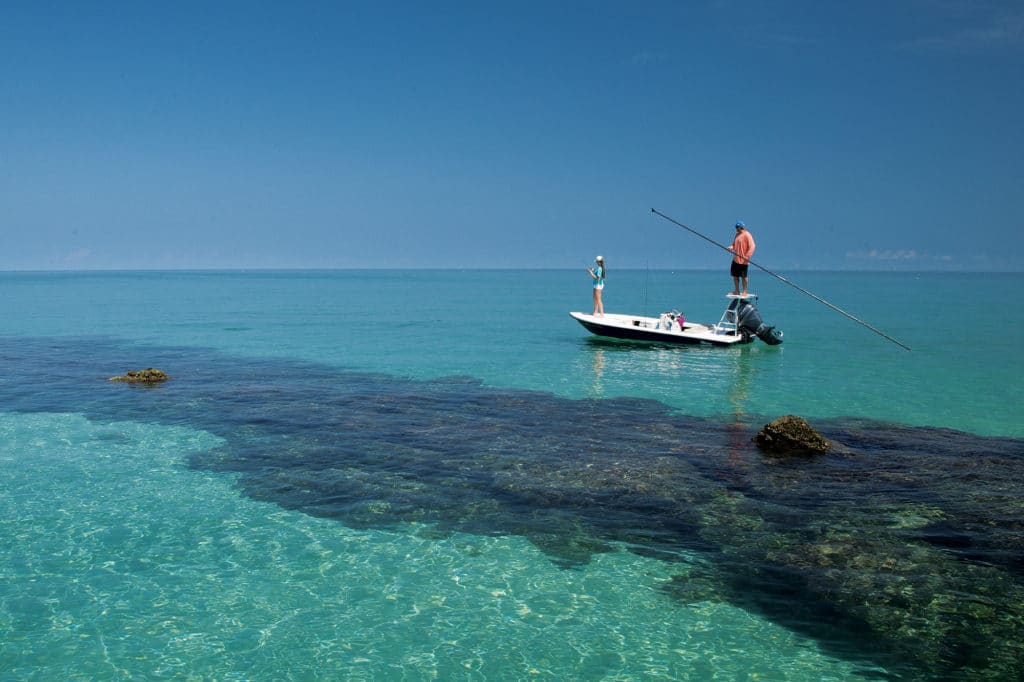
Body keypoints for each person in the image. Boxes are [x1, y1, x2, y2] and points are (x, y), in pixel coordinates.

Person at [726, 221, 755, 296]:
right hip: (736, 259)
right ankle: (737, 290)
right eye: (736, 227)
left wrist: (747, 256)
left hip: (744, 260)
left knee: (744, 276)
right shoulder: (737, 235)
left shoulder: (747, 235)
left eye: (737, 227)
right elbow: (734, 245)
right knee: (735, 275)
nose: (736, 229)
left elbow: (752, 246)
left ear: (741, 227)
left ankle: (745, 291)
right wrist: (730, 248)